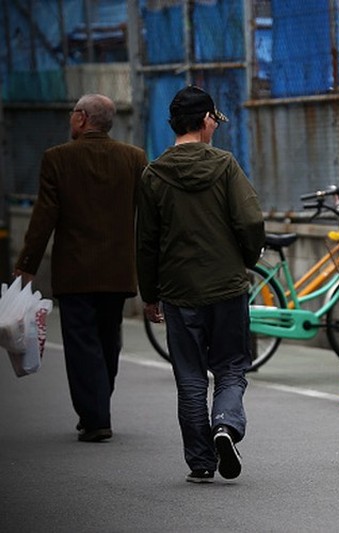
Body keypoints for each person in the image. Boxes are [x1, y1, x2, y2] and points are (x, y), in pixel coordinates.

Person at [136, 85, 265, 483]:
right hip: (226, 286)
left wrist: (150, 294)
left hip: (178, 291)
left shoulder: (154, 174)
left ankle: (200, 462)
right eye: (214, 120)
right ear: (207, 120)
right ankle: (225, 425)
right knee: (230, 367)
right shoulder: (225, 166)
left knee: (190, 376)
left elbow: (146, 242)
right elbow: (250, 221)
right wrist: (245, 258)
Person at [14, 94, 147, 443]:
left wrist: (27, 265)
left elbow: (45, 217)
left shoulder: (58, 159)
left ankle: (95, 416)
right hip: (118, 271)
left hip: (75, 271)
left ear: (83, 119)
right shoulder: (133, 158)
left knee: (81, 343)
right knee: (108, 341)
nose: (71, 119)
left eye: (73, 113)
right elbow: (147, 217)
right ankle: (97, 408)